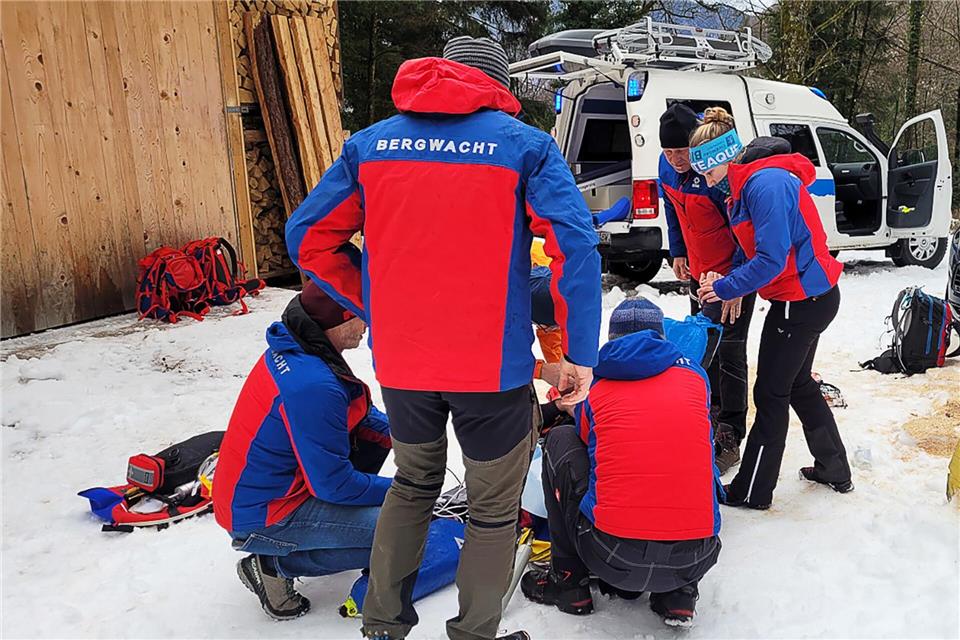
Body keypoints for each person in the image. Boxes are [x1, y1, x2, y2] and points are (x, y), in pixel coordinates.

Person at [284, 35, 602, 640]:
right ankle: (474, 633)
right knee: (491, 511)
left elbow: (308, 238)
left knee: (412, 485)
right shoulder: (524, 146)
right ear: (497, 87)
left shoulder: (370, 146)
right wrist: (581, 351)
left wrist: (373, 303)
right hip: (492, 369)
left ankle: (382, 624)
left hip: (405, 364)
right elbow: (576, 246)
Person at [520, 298, 722, 627]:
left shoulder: (597, 385)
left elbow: (587, 439)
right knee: (689, 452)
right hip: (696, 557)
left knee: (561, 440)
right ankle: (679, 595)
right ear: (660, 337)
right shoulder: (695, 377)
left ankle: (569, 583)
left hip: (610, 554)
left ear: (612, 339)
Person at [692, 107, 852, 509]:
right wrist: (728, 279)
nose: (707, 182)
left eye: (708, 173)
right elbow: (756, 252)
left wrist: (725, 288)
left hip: (800, 301)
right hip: (806, 297)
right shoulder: (750, 184)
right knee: (797, 385)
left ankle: (752, 491)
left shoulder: (765, 185)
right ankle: (834, 467)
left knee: (770, 393)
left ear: (725, 158)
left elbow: (772, 259)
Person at [213, 283, 392, 621]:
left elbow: (357, 415)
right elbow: (334, 485)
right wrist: (405, 491)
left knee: (381, 464)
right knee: (401, 529)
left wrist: (407, 436)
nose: (367, 325)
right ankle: (273, 565)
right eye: (361, 316)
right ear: (338, 320)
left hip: (262, 492)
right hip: (265, 513)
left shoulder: (302, 349)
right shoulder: (313, 385)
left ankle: (335, 532)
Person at [658, 103, 755, 473]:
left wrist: (736, 283)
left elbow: (744, 231)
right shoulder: (666, 168)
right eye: (668, 152)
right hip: (700, 273)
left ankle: (731, 430)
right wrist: (678, 251)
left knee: (730, 351)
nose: (676, 159)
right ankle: (709, 413)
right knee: (704, 344)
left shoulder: (715, 176)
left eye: (681, 151)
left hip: (732, 275)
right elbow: (672, 210)